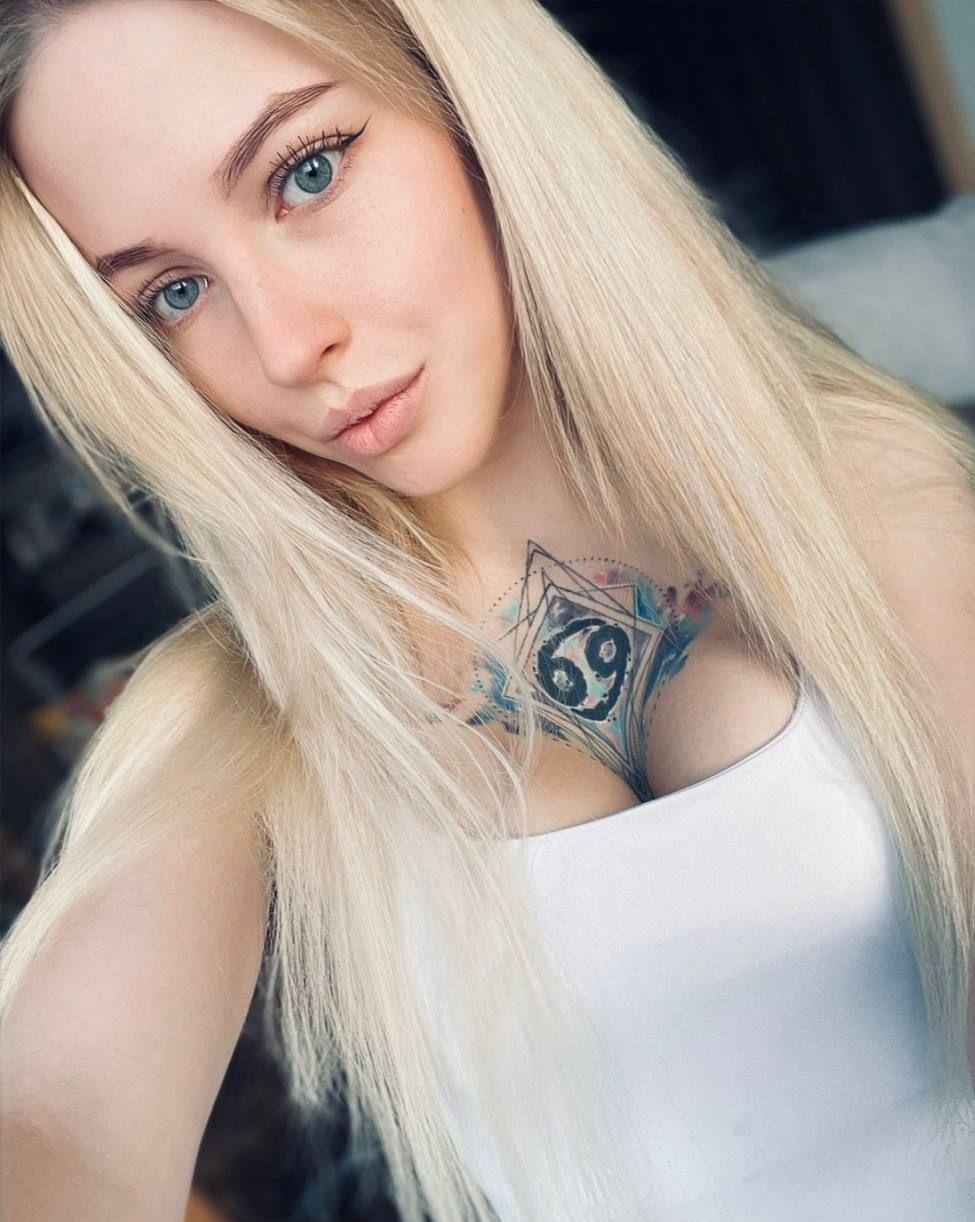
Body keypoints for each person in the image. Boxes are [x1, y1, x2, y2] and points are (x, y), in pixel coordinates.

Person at [0, 2, 973, 1220]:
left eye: (307, 172)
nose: (289, 345)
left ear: (467, 105)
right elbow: (56, 1113)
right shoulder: (239, 711)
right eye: (175, 292)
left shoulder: (855, 480)